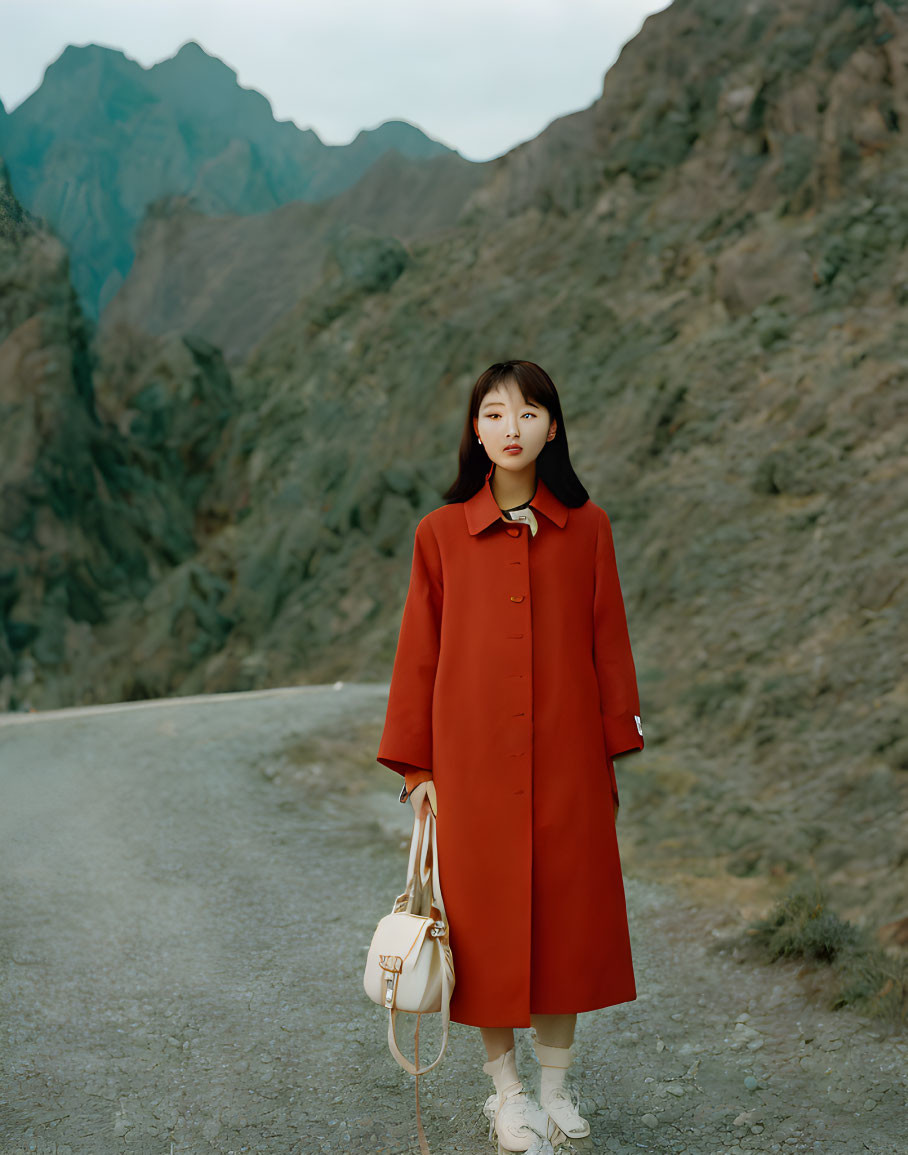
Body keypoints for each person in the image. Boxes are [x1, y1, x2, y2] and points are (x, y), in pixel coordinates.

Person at [377, 360, 644, 1153]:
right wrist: (419, 772)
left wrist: (611, 750)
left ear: (552, 428)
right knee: (486, 932)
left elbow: (610, 645)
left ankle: (556, 1093)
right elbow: (416, 658)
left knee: (566, 927)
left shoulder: (588, 528)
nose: (512, 427)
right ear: (477, 431)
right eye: (496, 414)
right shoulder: (440, 535)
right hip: (472, 773)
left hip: (569, 766)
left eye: (529, 413)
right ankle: (507, 1095)